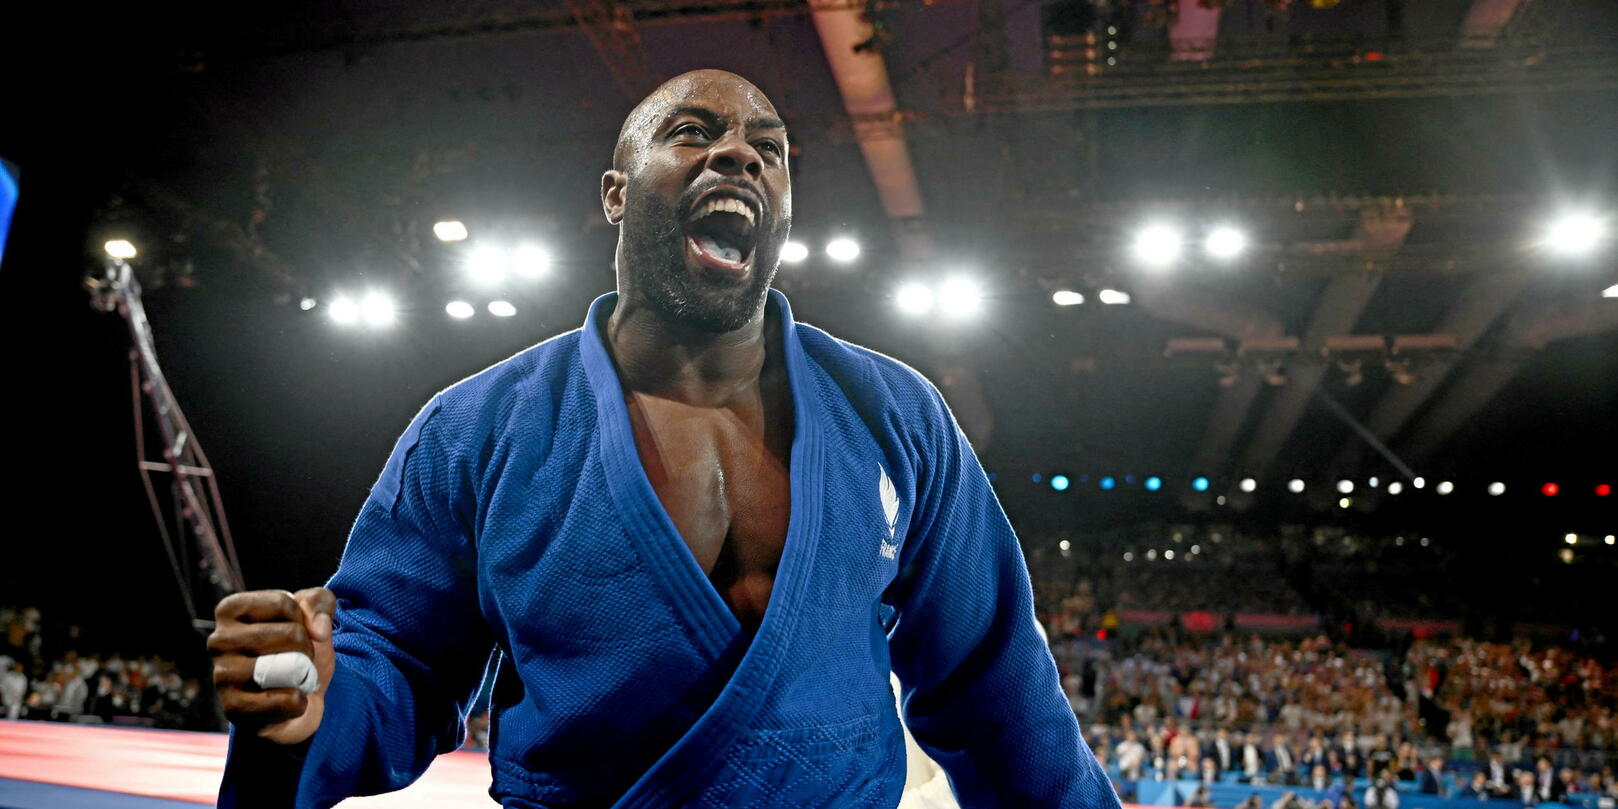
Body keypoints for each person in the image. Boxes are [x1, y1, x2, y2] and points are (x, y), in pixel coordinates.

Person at [207, 70, 1119, 809]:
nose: (740, 154)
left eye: (771, 148)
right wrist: (314, 710)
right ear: (614, 194)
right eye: (693, 131)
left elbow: (997, 690)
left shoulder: (895, 414)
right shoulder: (478, 428)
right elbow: (395, 659)